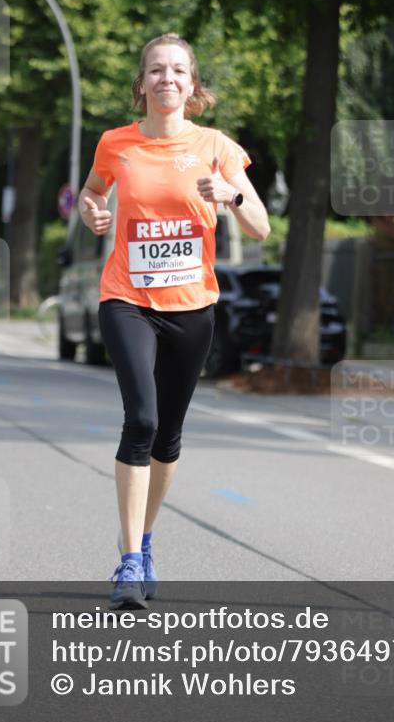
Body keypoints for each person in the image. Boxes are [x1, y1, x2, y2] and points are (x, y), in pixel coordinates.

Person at [78, 32, 270, 608]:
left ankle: (144, 535)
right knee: (140, 419)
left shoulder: (216, 147)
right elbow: (91, 192)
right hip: (127, 298)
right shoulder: (115, 143)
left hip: (193, 306)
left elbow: (261, 225)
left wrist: (232, 197)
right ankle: (130, 560)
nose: (167, 79)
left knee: (167, 438)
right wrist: (94, 210)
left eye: (178, 71)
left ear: (193, 85)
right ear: (142, 84)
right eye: (156, 70)